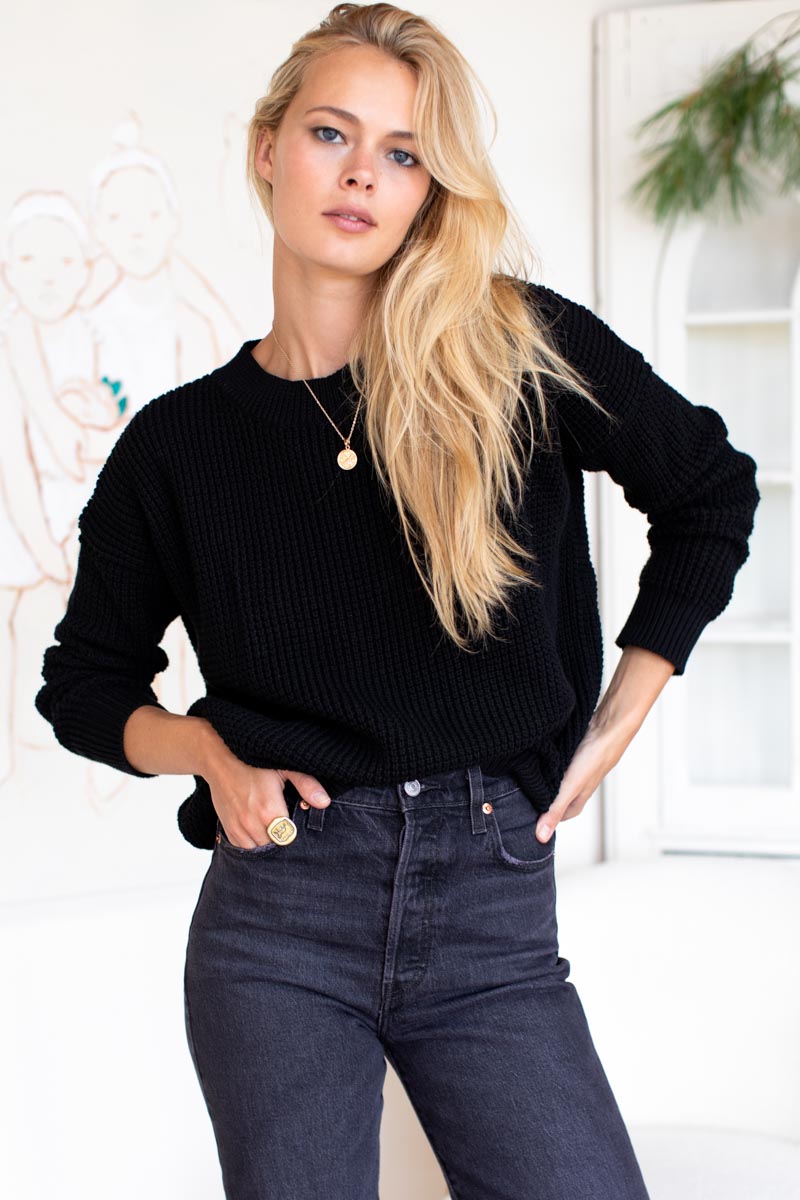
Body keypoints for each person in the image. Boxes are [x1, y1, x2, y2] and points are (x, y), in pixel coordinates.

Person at [34, 3, 760, 1197]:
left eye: (404, 152)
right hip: (279, 918)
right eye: (331, 133)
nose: (362, 173)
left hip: (490, 908)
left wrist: (619, 716)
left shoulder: (514, 351)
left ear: (430, 188)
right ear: (267, 147)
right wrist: (210, 756)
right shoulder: (178, 448)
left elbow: (707, 490)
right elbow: (83, 688)